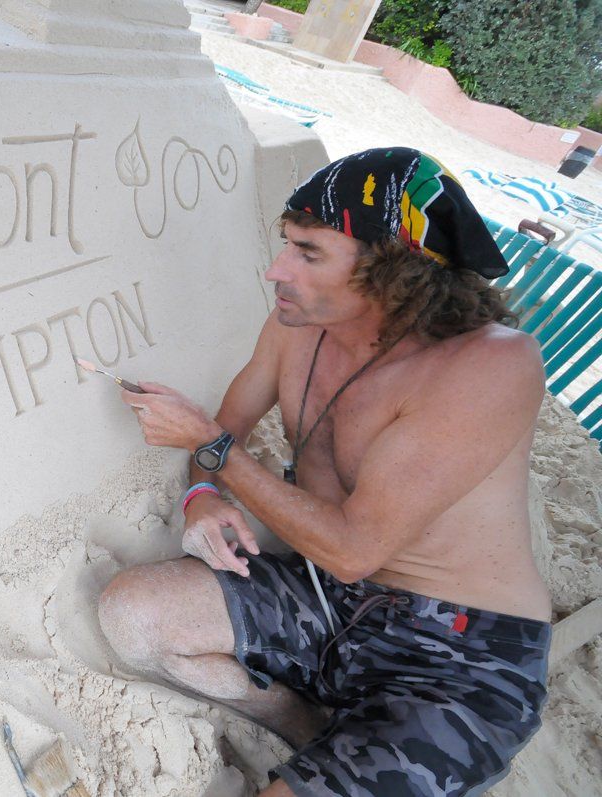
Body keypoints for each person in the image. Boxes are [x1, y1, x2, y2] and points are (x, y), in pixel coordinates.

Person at [98, 148, 552, 797]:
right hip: (328, 598)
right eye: (288, 244)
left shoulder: (491, 366)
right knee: (132, 615)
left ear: (392, 268)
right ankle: (301, 721)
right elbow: (225, 434)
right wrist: (201, 492)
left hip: (459, 659)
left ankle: (358, 748)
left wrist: (209, 443)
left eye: (309, 254)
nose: (278, 268)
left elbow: (351, 545)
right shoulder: (298, 325)